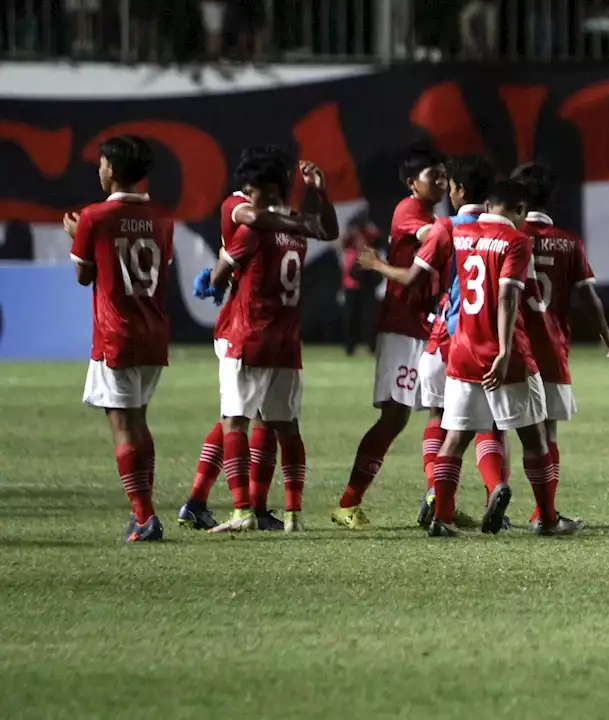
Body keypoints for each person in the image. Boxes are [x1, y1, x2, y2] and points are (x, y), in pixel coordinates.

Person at [178, 146, 334, 532]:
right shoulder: (260, 213)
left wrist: (214, 278)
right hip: (284, 337)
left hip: (245, 332)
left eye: (254, 186)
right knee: (273, 422)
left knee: (239, 420)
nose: (247, 193)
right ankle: (279, 512)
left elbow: (221, 271)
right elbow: (324, 230)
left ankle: (244, 509)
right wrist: (303, 214)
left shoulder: (255, 227)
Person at [427, 180, 583, 537]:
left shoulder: (463, 236)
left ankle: (443, 516)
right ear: (517, 211)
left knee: (455, 437)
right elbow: (508, 298)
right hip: (503, 356)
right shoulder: (516, 241)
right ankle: (546, 518)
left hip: (462, 350)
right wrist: (504, 350)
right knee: (535, 438)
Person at [331, 148, 453, 529]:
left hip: (429, 327)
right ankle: (348, 502)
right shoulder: (409, 211)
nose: (441, 181)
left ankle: (438, 499)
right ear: (411, 183)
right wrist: (473, 224)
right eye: (433, 174)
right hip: (402, 327)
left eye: (444, 175)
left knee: (445, 413)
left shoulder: (435, 216)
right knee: (394, 417)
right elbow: (432, 236)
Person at [64, 135, 174, 543]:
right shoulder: (163, 217)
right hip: (154, 332)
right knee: (139, 422)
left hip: (117, 334)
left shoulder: (94, 217)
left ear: (113, 169)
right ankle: (141, 511)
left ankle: (144, 516)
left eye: (102, 163)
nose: (99, 169)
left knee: (124, 427)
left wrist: (77, 236)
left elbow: (84, 275)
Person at [511, 162, 609, 531]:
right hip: (551, 346)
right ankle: (545, 512)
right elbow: (588, 294)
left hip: (511, 344)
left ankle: (489, 492)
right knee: (548, 433)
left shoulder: (509, 236)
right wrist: (606, 330)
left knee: (492, 429)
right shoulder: (569, 241)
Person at [417, 155, 497, 531]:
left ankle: (436, 494)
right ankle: (493, 491)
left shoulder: (445, 227)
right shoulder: (502, 231)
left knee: (439, 418)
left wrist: (377, 266)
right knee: (489, 425)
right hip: (484, 338)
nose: (446, 191)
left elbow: (415, 276)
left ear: (460, 189)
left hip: (445, 336)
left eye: (450, 185)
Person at [340, 209, 381, 356]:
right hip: (351, 283)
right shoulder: (349, 238)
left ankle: (370, 344)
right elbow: (342, 244)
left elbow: (374, 243)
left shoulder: (369, 234)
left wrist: (360, 233)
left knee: (369, 316)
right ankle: (350, 346)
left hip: (367, 283)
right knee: (351, 317)